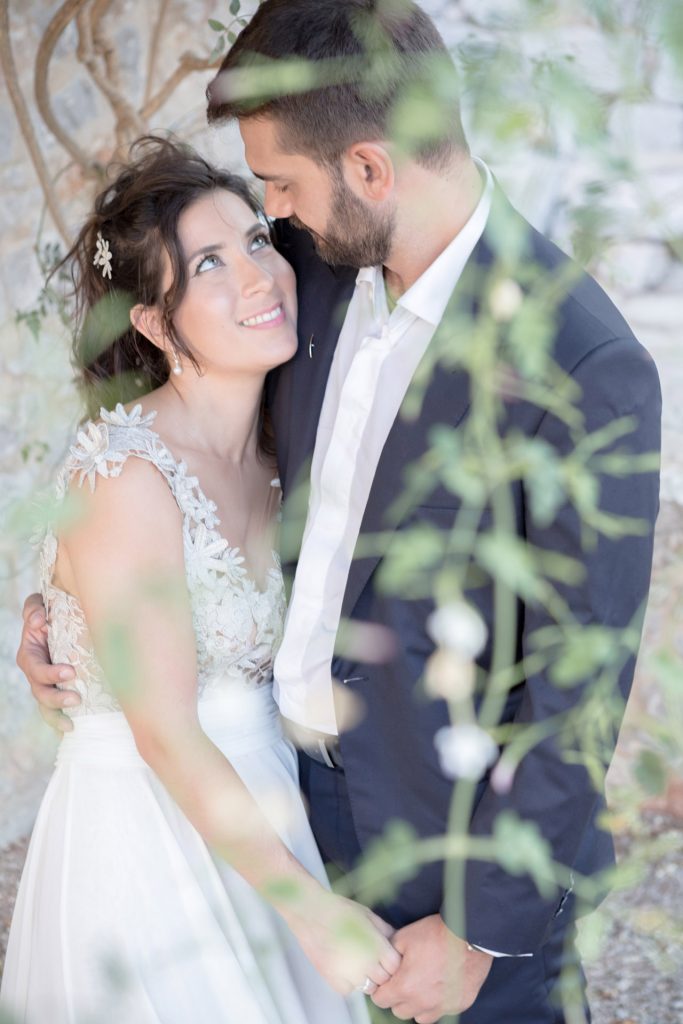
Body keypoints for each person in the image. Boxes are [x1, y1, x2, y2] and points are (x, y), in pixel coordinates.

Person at [17, 2, 662, 1022]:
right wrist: (71, 613)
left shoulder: (582, 369)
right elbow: (170, 441)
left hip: (451, 869)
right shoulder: (312, 271)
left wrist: (477, 930)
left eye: (277, 187)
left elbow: (572, 697)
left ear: (369, 169)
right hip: (288, 815)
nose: (267, 223)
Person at [3, 136, 401, 1024]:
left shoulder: (284, 448)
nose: (258, 278)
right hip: (146, 833)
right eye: (210, 265)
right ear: (153, 322)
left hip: (268, 810)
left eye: (257, 241)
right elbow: (166, 729)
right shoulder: (125, 474)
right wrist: (311, 912)